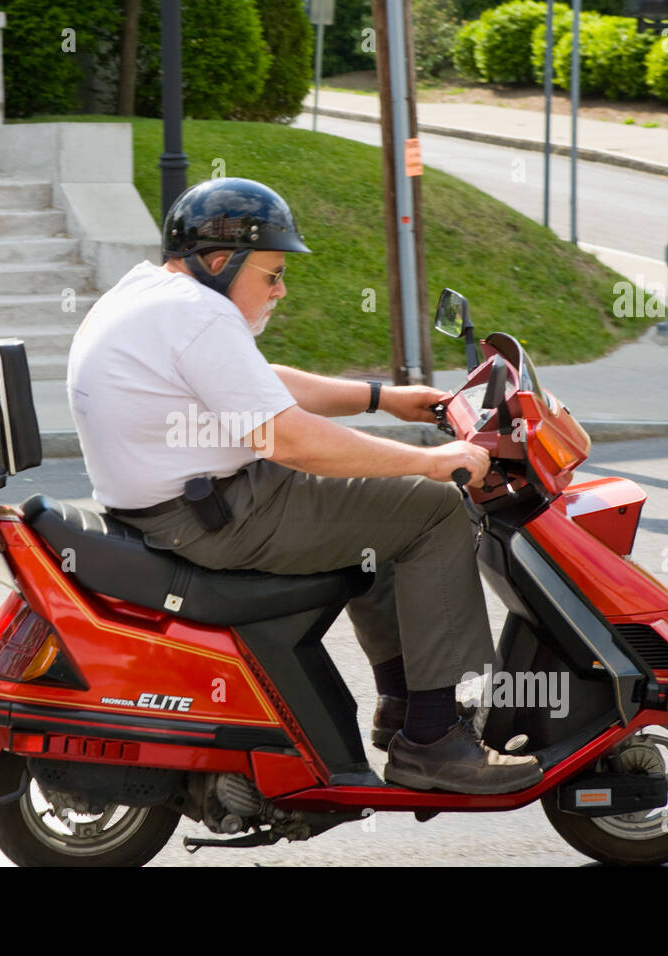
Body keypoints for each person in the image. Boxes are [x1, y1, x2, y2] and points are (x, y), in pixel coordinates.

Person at [66, 177, 540, 795]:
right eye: (272, 274)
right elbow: (291, 440)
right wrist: (428, 463)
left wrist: (383, 398)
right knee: (431, 512)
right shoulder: (198, 314)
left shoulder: (153, 294)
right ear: (219, 262)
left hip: (185, 504)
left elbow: (261, 381)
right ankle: (433, 741)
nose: (281, 290)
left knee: (382, 509)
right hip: (213, 517)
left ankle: (404, 704)